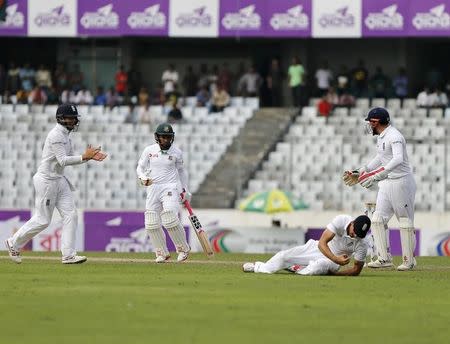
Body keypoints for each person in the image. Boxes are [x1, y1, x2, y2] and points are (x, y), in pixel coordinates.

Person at [4, 104, 107, 264]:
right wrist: (84, 157)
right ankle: (13, 243)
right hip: (46, 181)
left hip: (59, 180)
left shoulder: (66, 136)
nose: (73, 121)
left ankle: (68, 255)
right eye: (70, 118)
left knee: (71, 214)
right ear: (61, 118)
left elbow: (71, 158)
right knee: (43, 220)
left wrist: (89, 157)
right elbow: (63, 160)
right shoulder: (56, 135)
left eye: (74, 118)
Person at [342, 107, 417, 271]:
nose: (369, 125)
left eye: (370, 122)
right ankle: (384, 258)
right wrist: (361, 171)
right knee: (377, 220)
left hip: (401, 182)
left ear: (376, 122)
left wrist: (377, 176)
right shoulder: (382, 137)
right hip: (387, 182)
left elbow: (398, 159)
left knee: (404, 222)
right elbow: (380, 157)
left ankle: (409, 261)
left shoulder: (395, 136)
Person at [242, 214, 371, 276]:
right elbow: (322, 244)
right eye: (355, 232)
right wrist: (336, 258)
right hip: (317, 248)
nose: (355, 236)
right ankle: (258, 267)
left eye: (359, 235)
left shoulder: (362, 243)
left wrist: (335, 273)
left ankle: (296, 268)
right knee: (283, 256)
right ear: (352, 222)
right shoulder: (341, 220)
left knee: (318, 267)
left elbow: (356, 270)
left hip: (332, 263)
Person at [136, 123, 191, 263]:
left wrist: (184, 189)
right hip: (153, 187)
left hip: (170, 187)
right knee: (151, 222)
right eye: (163, 137)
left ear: (172, 138)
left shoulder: (177, 152)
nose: (166, 140)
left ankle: (183, 249)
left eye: (168, 137)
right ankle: (161, 252)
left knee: (169, 218)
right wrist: (143, 178)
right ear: (157, 137)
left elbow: (182, 171)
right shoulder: (149, 150)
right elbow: (140, 167)